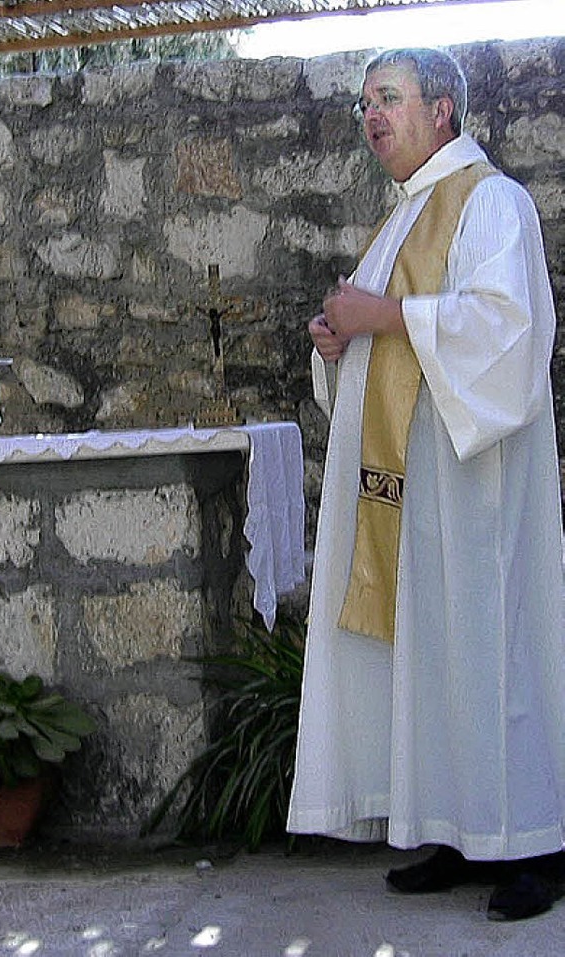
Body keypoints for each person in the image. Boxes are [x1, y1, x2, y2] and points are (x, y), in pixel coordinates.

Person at [287, 47, 565, 921]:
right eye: (365, 102)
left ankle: (535, 844)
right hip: (413, 492)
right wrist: (343, 344)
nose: (371, 115)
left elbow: (507, 335)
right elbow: (380, 347)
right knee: (437, 655)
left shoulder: (492, 202)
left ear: (443, 110)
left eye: (389, 98)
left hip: (473, 489)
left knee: (495, 648)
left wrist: (384, 317)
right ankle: (456, 825)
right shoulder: (401, 220)